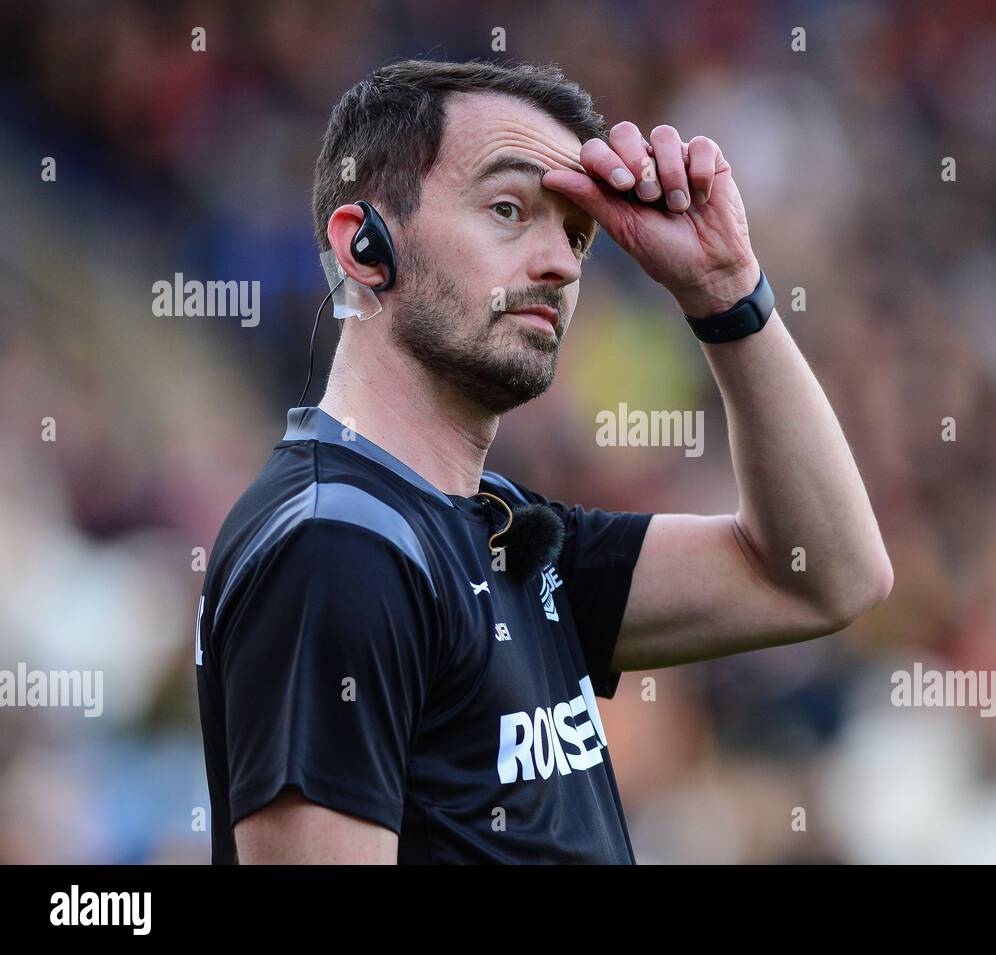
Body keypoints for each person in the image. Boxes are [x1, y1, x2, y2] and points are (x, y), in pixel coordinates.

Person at [195, 58, 892, 864]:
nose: (561, 263)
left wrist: (726, 290)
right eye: (507, 208)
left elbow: (820, 575)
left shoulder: (501, 530)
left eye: (575, 232)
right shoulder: (337, 549)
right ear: (364, 245)